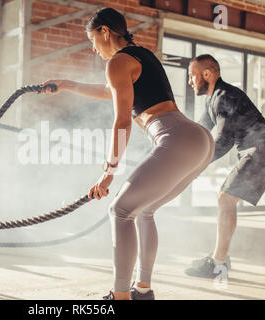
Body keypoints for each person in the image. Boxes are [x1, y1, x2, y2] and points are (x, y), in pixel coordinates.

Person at [41, 7, 215, 300]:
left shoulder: (117, 62)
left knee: (120, 211)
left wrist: (108, 172)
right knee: (144, 211)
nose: (93, 49)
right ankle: (142, 291)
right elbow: (111, 90)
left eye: (92, 40)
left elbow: (122, 120)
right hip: (199, 141)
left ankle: (120, 296)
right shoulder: (140, 55)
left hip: (176, 138)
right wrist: (67, 84)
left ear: (105, 32)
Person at [185, 54, 265, 278]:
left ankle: (218, 263)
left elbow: (222, 141)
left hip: (264, 149)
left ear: (207, 74)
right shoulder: (212, 99)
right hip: (257, 149)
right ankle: (221, 258)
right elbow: (201, 130)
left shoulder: (225, 97)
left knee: (225, 198)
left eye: (192, 76)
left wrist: (195, 166)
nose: (190, 82)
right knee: (226, 199)